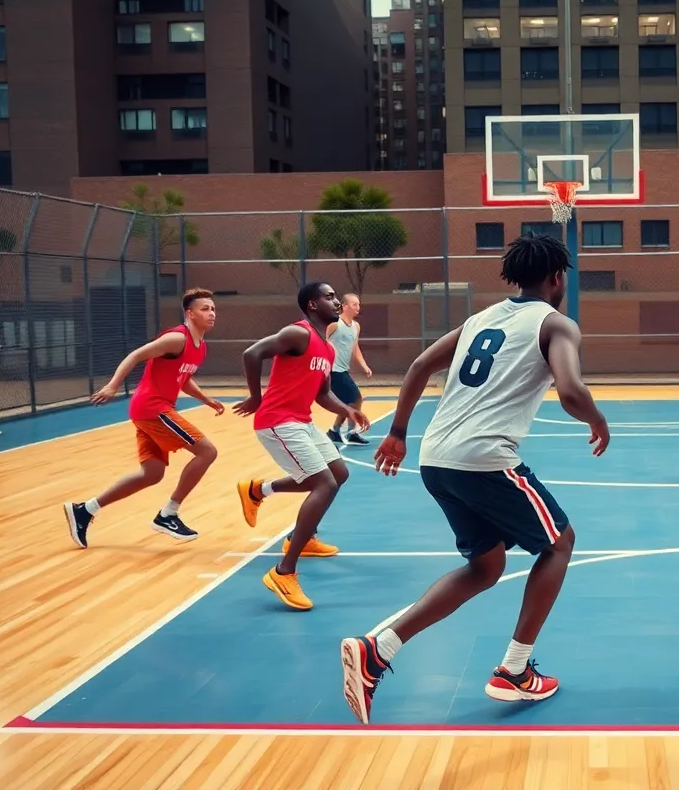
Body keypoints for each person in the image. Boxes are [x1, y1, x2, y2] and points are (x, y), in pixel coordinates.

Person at [338, 232, 609, 726]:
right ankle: (514, 669)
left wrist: (398, 432)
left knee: (485, 567)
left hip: (436, 458)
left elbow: (419, 365)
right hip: (484, 458)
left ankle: (379, 649)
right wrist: (597, 418)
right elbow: (571, 390)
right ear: (557, 278)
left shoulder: (480, 319)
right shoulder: (557, 324)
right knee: (559, 544)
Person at [234, 282, 371, 612]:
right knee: (323, 483)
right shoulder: (298, 334)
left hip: (301, 421)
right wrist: (256, 397)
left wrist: (348, 410)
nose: (336, 301)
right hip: (277, 421)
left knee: (339, 474)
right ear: (312, 304)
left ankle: (261, 493)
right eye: (329, 297)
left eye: (336, 296)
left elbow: (322, 394)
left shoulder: (326, 348)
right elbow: (252, 353)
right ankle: (284, 572)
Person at [62, 289, 222, 548]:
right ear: (190, 313)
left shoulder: (200, 347)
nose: (211, 313)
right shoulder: (176, 338)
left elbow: (183, 378)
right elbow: (136, 355)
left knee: (152, 474)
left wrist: (206, 399)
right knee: (207, 452)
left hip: (149, 411)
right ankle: (168, 514)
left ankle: (85, 510)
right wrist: (113, 385)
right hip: (152, 408)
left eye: (213, 309)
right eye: (205, 309)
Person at [326, 293, 373, 446]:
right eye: (354, 304)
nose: (358, 307)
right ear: (344, 306)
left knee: (347, 402)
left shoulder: (355, 326)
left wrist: (364, 365)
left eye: (358, 304)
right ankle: (351, 432)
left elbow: (355, 347)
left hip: (342, 370)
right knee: (356, 398)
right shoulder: (334, 324)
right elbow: (320, 342)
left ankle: (334, 431)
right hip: (332, 370)